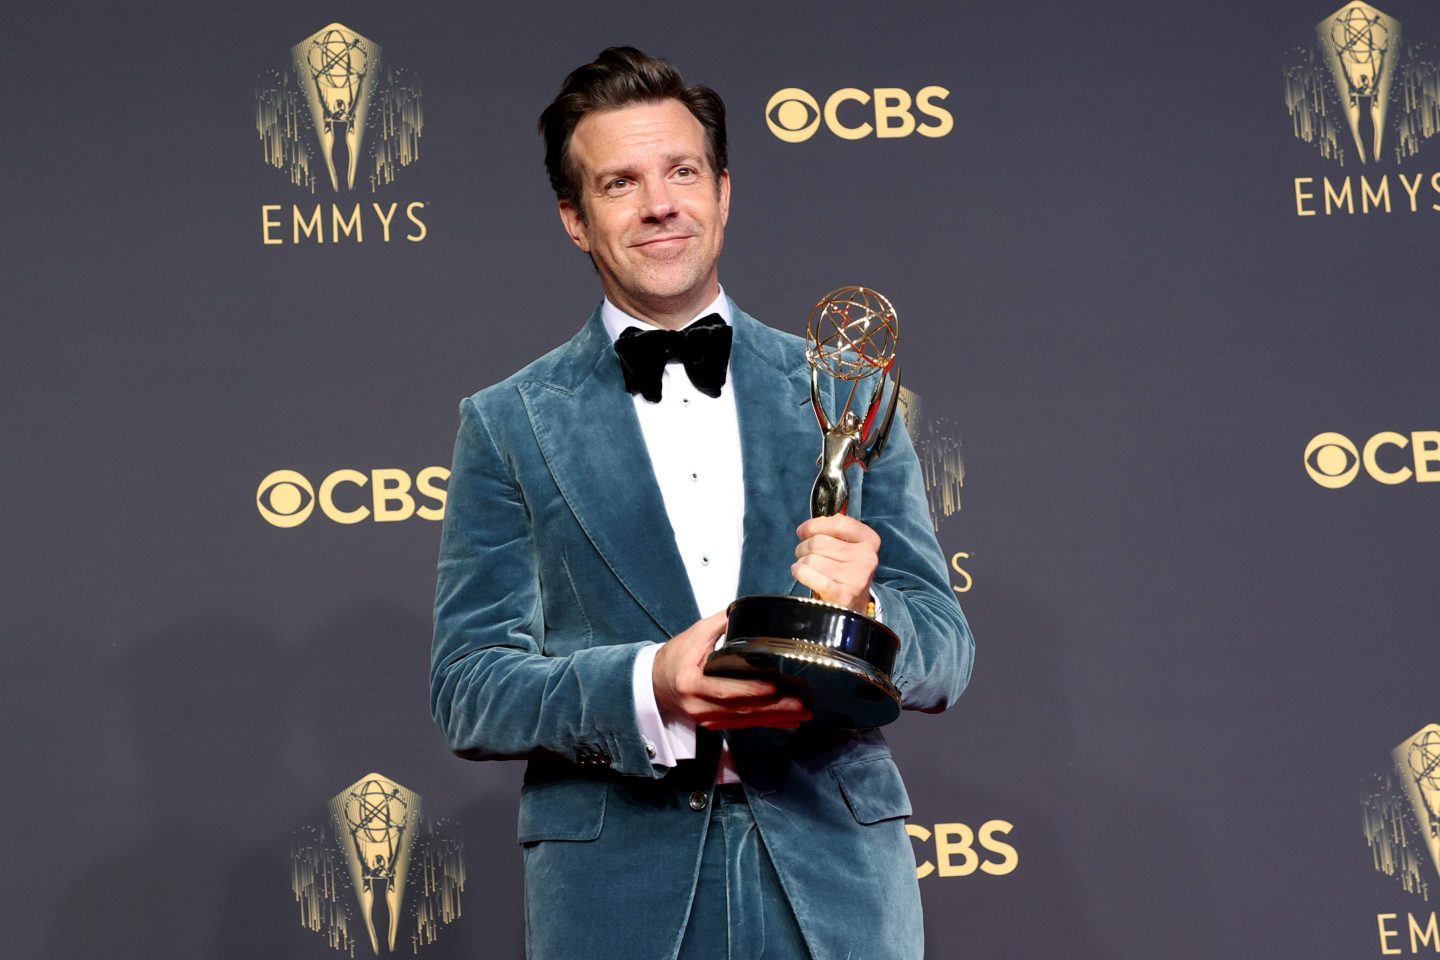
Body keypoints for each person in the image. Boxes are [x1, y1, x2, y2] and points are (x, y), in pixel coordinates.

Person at [430, 46, 974, 960]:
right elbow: (469, 689)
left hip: (833, 885)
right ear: (574, 218)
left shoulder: (845, 390)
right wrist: (650, 685)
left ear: (723, 189)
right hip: (617, 896)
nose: (660, 204)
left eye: (682, 171)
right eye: (619, 182)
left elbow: (944, 653)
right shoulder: (507, 424)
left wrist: (864, 614)